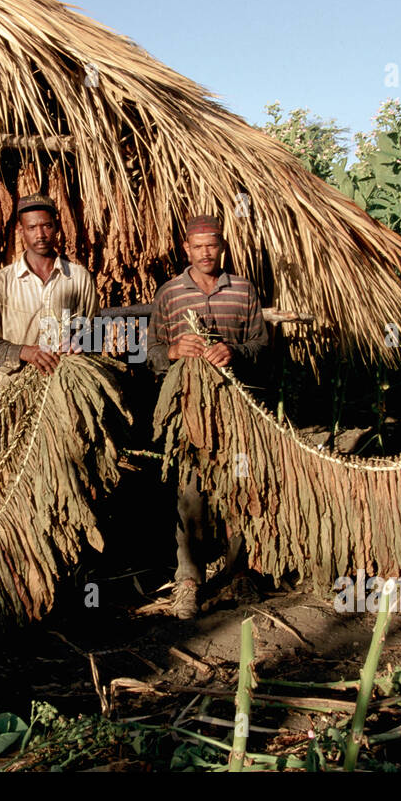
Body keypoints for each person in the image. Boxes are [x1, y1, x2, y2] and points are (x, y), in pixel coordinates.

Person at [145, 214, 270, 619]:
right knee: (191, 493)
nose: (205, 253)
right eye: (197, 247)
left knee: (240, 486)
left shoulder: (244, 291)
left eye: (212, 245)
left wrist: (235, 351)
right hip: (190, 415)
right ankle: (188, 581)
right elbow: (150, 356)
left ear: (222, 246)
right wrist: (174, 352)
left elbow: (262, 346)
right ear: (186, 249)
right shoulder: (169, 294)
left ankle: (239, 574)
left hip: (236, 410)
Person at [0, 193, 99, 389]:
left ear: (56, 227)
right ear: (20, 230)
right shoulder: (0, 282)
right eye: (32, 228)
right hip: (16, 387)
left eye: (46, 226)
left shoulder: (80, 278)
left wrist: (81, 342)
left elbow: (95, 330)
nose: (40, 235)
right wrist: (24, 352)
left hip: (67, 384)